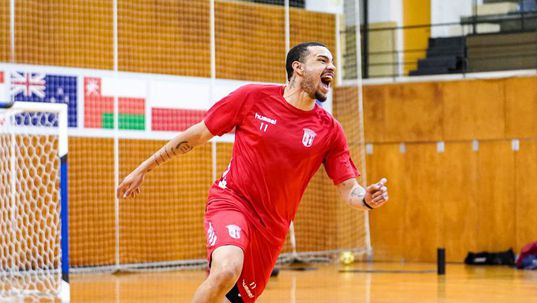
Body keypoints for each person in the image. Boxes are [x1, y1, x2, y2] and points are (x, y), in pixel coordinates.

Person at [117, 41, 389, 303]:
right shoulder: (252, 98)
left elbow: (348, 188)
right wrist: (144, 168)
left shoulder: (330, 130)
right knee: (225, 270)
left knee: (231, 298)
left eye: (332, 62)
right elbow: (198, 134)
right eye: (322, 60)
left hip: (272, 228)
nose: (331, 67)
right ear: (298, 68)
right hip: (231, 200)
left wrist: (366, 197)